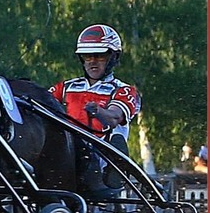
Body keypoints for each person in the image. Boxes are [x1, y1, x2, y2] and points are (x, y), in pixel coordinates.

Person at [49, 24, 141, 194]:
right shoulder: (66, 87)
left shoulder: (124, 90)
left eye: (99, 56)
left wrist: (98, 111)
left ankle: (115, 167)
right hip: (67, 148)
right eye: (87, 56)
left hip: (99, 153)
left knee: (88, 151)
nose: (92, 61)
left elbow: (114, 117)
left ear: (114, 57)